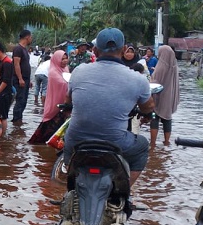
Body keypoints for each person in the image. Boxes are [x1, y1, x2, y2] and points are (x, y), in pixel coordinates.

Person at [62, 27, 155, 187]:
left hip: (76, 141)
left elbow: (68, 100)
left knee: (67, 162)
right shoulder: (138, 79)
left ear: (95, 51)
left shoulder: (78, 71)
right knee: (142, 146)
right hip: (116, 143)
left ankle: (70, 193)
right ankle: (124, 192)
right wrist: (147, 114)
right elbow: (148, 108)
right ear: (124, 49)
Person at [28, 50, 70, 144]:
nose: (65, 61)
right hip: (54, 103)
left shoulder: (66, 69)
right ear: (57, 60)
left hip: (65, 103)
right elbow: (63, 83)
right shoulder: (53, 71)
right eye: (62, 59)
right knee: (48, 126)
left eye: (66, 58)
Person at [149, 45, 181, 147]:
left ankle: (153, 143)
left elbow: (154, 81)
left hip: (158, 97)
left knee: (154, 117)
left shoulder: (161, 65)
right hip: (169, 97)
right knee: (167, 119)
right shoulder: (174, 65)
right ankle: (167, 141)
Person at [11, 29, 32, 124]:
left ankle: (19, 120)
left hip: (25, 79)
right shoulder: (18, 49)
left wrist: (29, 79)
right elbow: (16, 64)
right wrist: (20, 78)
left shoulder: (24, 49)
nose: (31, 39)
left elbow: (25, 64)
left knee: (24, 100)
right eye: (30, 37)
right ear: (27, 37)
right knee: (20, 100)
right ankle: (16, 120)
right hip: (20, 79)